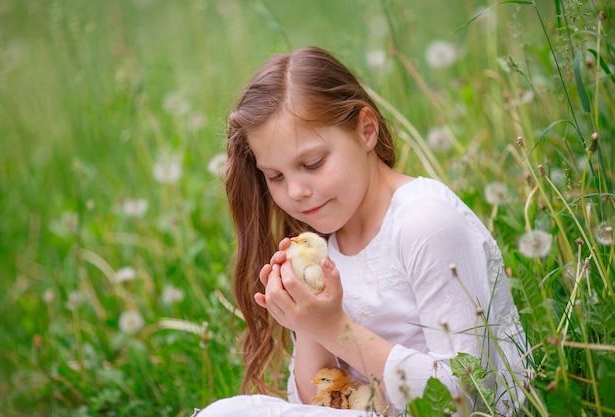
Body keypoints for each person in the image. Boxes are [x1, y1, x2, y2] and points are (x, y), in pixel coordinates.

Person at [198, 46, 529, 416]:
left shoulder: (426, 222)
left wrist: (336, 327)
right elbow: (317, 402)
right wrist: (306, 320)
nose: (295, 192)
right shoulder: (324, 245)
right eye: (275, 176)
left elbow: (469, 392)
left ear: (366, 130)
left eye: (312, 163)